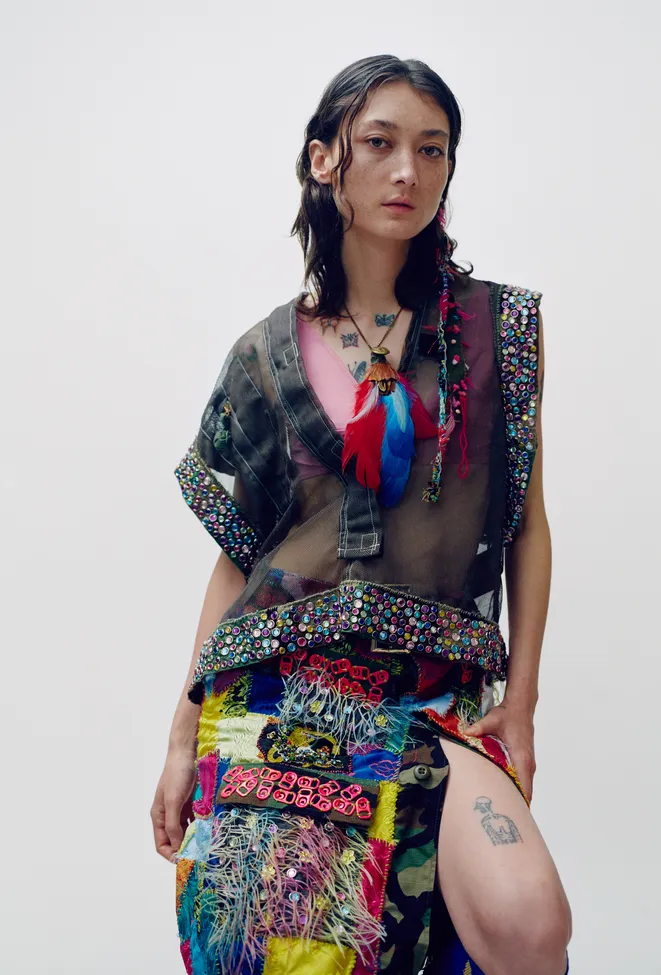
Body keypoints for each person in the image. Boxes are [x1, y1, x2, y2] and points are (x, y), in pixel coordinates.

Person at [150, 54, 572, 975]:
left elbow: (528, 527)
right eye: (378, 143)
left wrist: (523, 704)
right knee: (285, 948)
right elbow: (240, 556)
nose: (408, 171)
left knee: (528, 924)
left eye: (433, 149)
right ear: (322, 160)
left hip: (432, 696)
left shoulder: (498, 332)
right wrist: (180, 739)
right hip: (277, 695)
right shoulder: (262, 355)